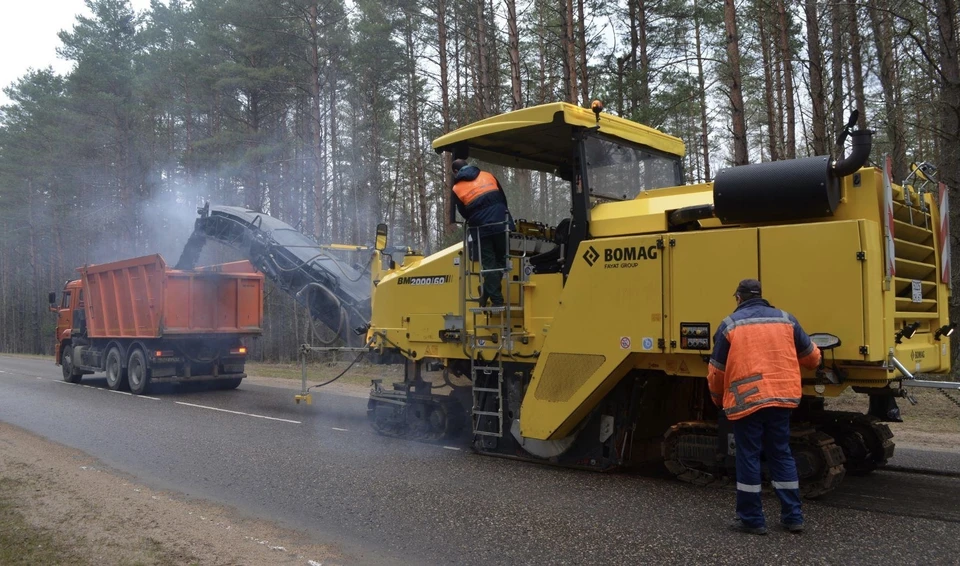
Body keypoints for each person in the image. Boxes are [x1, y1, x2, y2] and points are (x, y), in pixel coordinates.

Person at [707, 278, 821, 536]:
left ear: (738, 298)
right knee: (781, 453)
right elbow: (812, 359)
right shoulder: (786, 319)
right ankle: (793, 517)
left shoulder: (730, 325)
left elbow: (716, 371)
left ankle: (752, 520)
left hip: (747, 400)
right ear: (761, 296)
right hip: (782, 398)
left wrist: (717, 398)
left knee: (748, 456)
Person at [451, 159, 513, 307]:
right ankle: (487, 291)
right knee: (503, 260)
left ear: (455, 172)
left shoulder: (457, 188)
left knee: (489, 264)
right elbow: (503, 199)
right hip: (501, 223)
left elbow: (464, 212)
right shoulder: (488, 175)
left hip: (481, 229)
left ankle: (495, 300)